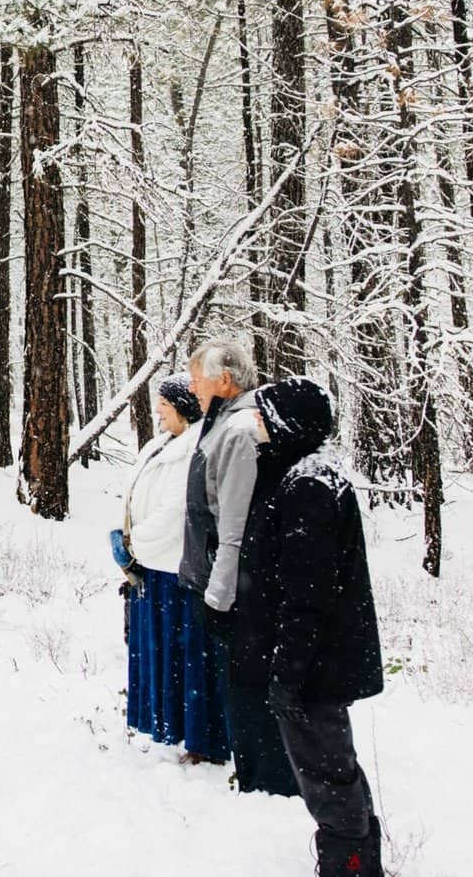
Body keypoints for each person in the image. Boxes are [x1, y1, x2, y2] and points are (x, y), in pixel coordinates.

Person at [238, 377, 385, 876]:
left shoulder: (308, 486)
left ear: (287, 423)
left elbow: (308, 593)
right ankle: (357, 857)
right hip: (319, 658)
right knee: (332, 766)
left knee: (325, 771)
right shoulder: (303, 473)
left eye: (263, 417)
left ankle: (349, 863)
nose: (255, 426)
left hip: (315, 664)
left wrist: (288, 671)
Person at [178, 336, 296, 797]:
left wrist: (220, 595)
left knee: (250, 686)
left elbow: (234, 524)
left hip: (240, 584)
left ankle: (266, 781)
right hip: (227, 578)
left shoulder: (240, 430)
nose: (193, 389)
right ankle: (256, 771)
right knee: (237, 684)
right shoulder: (225, 422)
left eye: (197, 380)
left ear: (224, 380)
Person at [117, 375, 229, 766]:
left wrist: (133, 547)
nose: (158, 412)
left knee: (187, 657)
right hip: (153, 568)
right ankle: (176, 730)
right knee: (164, 654)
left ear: (182, 407)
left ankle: (201, 740)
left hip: (177, 569)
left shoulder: (194, 451)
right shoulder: (160, 445)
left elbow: (175, 514)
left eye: (164, 404)